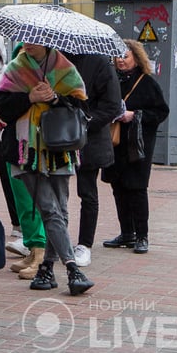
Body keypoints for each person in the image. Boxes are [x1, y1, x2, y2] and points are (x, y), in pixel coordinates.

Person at [0, 43, 95, 296]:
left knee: (59, 209)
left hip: (59, 148)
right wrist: (30, 98)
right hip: (25, 152)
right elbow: (0, 104)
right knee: (49, 209)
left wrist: (55, 97)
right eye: (25, 38)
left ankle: (47, 267)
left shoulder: (65, 68)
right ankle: (73, 269)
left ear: (47, 41)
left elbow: (83, 108)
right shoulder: (16, 68)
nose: (28, 42)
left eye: (34, 38)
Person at [0, 34, 46, 275]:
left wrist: (47, 96)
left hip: (40, 146)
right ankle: (31, 247)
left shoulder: (55, 76)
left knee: (38, 201)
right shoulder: (13, 80)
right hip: (14, 144)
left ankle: (41, 253)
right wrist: (27, 97)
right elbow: (0, 103)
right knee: (22, 199)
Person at [104, 40, 169, 254]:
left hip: (137, 144)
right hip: (114, 142)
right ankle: (127, 233)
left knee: (137, 188)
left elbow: (161, 112)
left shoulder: (147, 82)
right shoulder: (110, 80)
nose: (121, 60)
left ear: (136, 58)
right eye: (118, 56)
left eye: (125, 56)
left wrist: (135, 115)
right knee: (118, 186)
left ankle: (142, 236)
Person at [62, 49, 122, 269]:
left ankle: (84, 244)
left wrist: (85, 121)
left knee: (87, 192)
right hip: (58, 135)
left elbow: (112, 104)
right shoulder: (54, 58)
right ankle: (56, 240)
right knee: (56, 193)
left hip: (89, 139)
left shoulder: (99, 63)